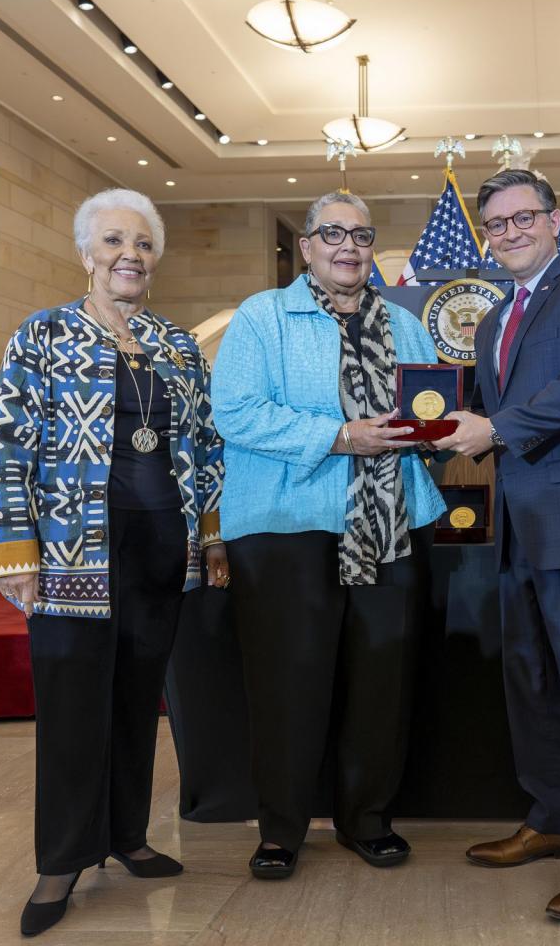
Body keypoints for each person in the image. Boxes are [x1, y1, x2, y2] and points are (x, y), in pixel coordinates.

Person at [0, 188, 226, 937]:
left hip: (160, 548)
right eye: (114, 241)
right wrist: (13, 551)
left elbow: (206, 447)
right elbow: (5, 444)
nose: (130, 255)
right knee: (73, 704)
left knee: (136, 697)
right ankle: (61, 859)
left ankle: (126, 836)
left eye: (143, 244)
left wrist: (209, 538)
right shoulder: (44, 333)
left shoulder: (177, 344)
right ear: (86, 255)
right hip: (70, 549)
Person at [211, 191, 445, 881]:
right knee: (289, 684)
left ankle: (367, 820)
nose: (349, 246)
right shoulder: (262, 317)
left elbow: (426, 408)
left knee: (381, 682)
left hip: (391, 525)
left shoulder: (404, 324)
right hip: (288, 529)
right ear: (306, 246)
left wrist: (441, 429)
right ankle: (281, 829)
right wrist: (342, 436)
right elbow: (237, 413)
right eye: (332, 233)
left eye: (362, 234)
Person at [433, 169, 560, 922]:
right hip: (518, 525)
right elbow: (487, 410)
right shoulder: (492, 322)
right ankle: (556, 817)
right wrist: (423, 422)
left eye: (526, 217)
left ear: (555, 221)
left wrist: (491, 427)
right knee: (532, 680)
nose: (512, 232)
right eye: (497, 223)